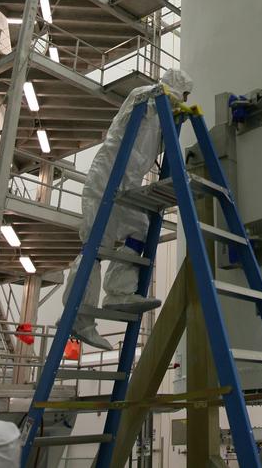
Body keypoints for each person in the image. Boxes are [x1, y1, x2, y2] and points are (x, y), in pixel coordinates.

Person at [63, 68, 194, 349]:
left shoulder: (162, 121)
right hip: (107, 176)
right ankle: (78, 318)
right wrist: (168, 97)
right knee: (95, 245)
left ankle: (119, 292)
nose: (183, 100)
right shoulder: (145, 97)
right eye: (183, 94)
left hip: (127, 183)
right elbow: (146, 95)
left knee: (141, 231)